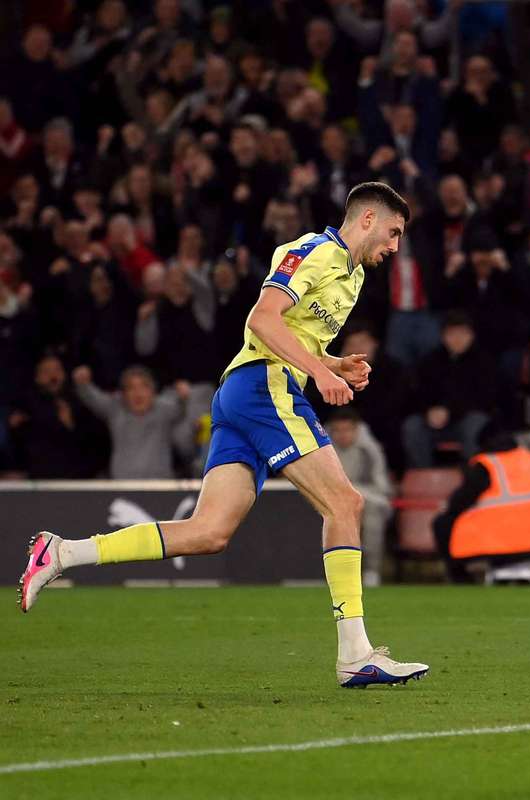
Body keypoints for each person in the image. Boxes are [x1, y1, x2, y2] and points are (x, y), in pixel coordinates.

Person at [20, 182, 429, 688]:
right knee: (345, 503)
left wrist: (332, 363)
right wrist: (318, 376)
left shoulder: (352, 277)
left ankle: (61, 553)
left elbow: (293, 334)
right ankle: (355, 653)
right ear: (367, 220)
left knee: (209, 532)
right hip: (263, 384)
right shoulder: (315, 251)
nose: (394, 246)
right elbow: (261, 320)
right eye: (392, 233)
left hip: (247, 393)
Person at [432, 421, 530, 583]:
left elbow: (460, 501)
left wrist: (447, 508)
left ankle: (460, 580)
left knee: (442, 523)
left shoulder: (486, 465)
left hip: (498, 546)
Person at [402, 311, 498, 468]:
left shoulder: (484, 362)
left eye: (463, 334)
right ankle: (423, 476)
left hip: (465, 419)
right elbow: (417, 393)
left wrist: (450, 411)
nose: (457, 339)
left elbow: (485, 398)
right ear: (443, 336)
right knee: (412, 426)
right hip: (433, 421)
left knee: (476, 425)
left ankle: (473, 476)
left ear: (472, 336)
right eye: (452, 334)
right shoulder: (429, 361)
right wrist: (428, 411)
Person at [72, 363, 189, 479]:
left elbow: (180, 408)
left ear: (153, 392)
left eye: (144, 386)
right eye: (131, 388)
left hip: (159, 486)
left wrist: (183, 396)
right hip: (123, 487)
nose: (138, 393)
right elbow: (90, 396)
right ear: (123, 394)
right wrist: (82, 382)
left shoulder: (164, 410)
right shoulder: (115, 409)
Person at [326, 408, 393, 588]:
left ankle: (371, 571)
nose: (342, 435)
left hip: (367, 500)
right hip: (330, 500)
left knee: (373, 516)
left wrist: (353, 495)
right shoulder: (322, 449)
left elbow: (382, 488)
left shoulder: (369, 450)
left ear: (356, 430)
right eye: (337, 430)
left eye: (347, 430)